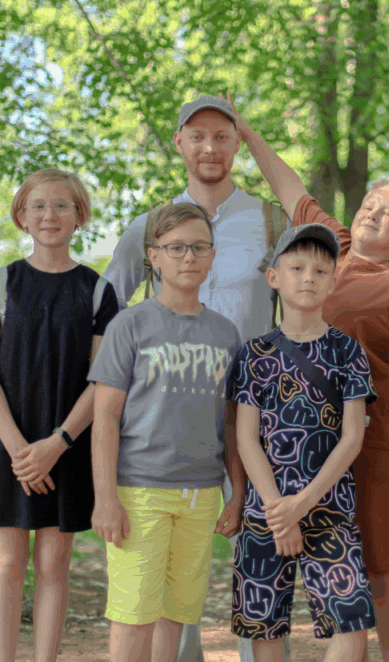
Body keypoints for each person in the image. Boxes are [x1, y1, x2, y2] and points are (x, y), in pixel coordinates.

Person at [231, 95, 389, 662]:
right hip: (295, 444)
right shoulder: (330, 245)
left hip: (370, 445)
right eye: (370, 203)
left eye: (388, 212)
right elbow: (287, 186)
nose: (372, 212)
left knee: (379, 571)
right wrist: (246, 131)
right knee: (294, 579)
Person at [102, 94, 285, 662]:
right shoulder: (151, 226)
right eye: (197, 136)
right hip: (170, 420)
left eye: (222, 136)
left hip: (253, 414)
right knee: (165, 572)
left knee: (255, 553)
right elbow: (106, 306)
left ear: (238, 144)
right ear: (179, 143)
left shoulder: (270, 220)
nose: (210, 147)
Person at [0, 168, 120, 662]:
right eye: (38, 205)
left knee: (54, 566)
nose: (49, 215)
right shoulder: (0, 284)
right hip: (7, 445)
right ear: (22, 215)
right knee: (7, 564)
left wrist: (56, 444)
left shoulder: (98, 291)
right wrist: (20, 451)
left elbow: (102, 380)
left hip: (66, 445)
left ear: (79, 215)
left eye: (61, 205)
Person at [88, 202, 246, 662]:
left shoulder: (226, 334)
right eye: (175, 248)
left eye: (199, 247)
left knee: (177, 614)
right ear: (154, 257)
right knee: (134, 614)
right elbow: (105, 418)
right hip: (140, 492)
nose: (188, 257)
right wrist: (106, 498)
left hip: (202, 494)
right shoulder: (129, 325)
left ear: (212, 256)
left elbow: (231, 422)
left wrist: (236, 493)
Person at [228, 223, 377, 661]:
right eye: (296, 268)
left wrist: (303, 503)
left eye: (320, 270)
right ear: (274, 277)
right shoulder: (253, 354)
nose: (308, 277)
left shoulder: (347, 351)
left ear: (332, 281)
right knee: (263, 625)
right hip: (265, 510)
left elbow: (352, 438)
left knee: (351, 624)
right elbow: (246, 438)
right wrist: (280, 512)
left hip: (330, 507)